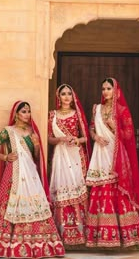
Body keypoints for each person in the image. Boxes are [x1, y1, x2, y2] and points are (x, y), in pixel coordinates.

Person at [0, 101, 65, 258]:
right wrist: (5, 156)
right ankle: (6, 244)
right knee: (9, 205)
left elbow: (36, 158)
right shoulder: (8, 131)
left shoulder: (32, 132)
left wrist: (37, 145)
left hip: (30, 175)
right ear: (16, 114)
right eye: (24, 111)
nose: (27, 114)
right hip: (14, 174)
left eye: (29, 111)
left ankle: (38, 244)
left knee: (35, 205)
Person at [86, 77, 139, 248]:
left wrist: (114, 128)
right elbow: (91, 127)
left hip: (116, 154)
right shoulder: (96, 109)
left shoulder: (121, 110)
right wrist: (95, 136)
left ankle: (122, 234)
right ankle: (100, 234)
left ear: (116, 91)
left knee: (117, 189)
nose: (105, 91)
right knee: (101, 187)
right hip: (100, 152)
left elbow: (128, 135)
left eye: (108, 88)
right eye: (103, 88)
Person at [48, 84, 91, 245]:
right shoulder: (52, 115)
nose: (66, 97)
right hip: (60, 156)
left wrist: (75, 140)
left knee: (76, 189)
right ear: (58, 97)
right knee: (61, 189)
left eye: (69, 94)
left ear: (73, 97)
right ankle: (61, 231)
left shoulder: (77, 114)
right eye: (63, 94)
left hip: (75, 156)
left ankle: (80, 231)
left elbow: (86, 138)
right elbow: (49, 138)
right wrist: (61, 139)